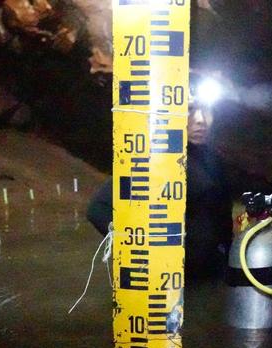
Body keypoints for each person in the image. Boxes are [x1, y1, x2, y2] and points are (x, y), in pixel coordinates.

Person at [87, 74, 233, 279]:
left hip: (211, 279)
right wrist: (145, 250)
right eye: (190, 110)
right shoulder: (156, 158)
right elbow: (98, 209)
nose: (200, 120)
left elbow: (222, 218)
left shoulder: (213, 159)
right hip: (168, 283)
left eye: (206, 109)